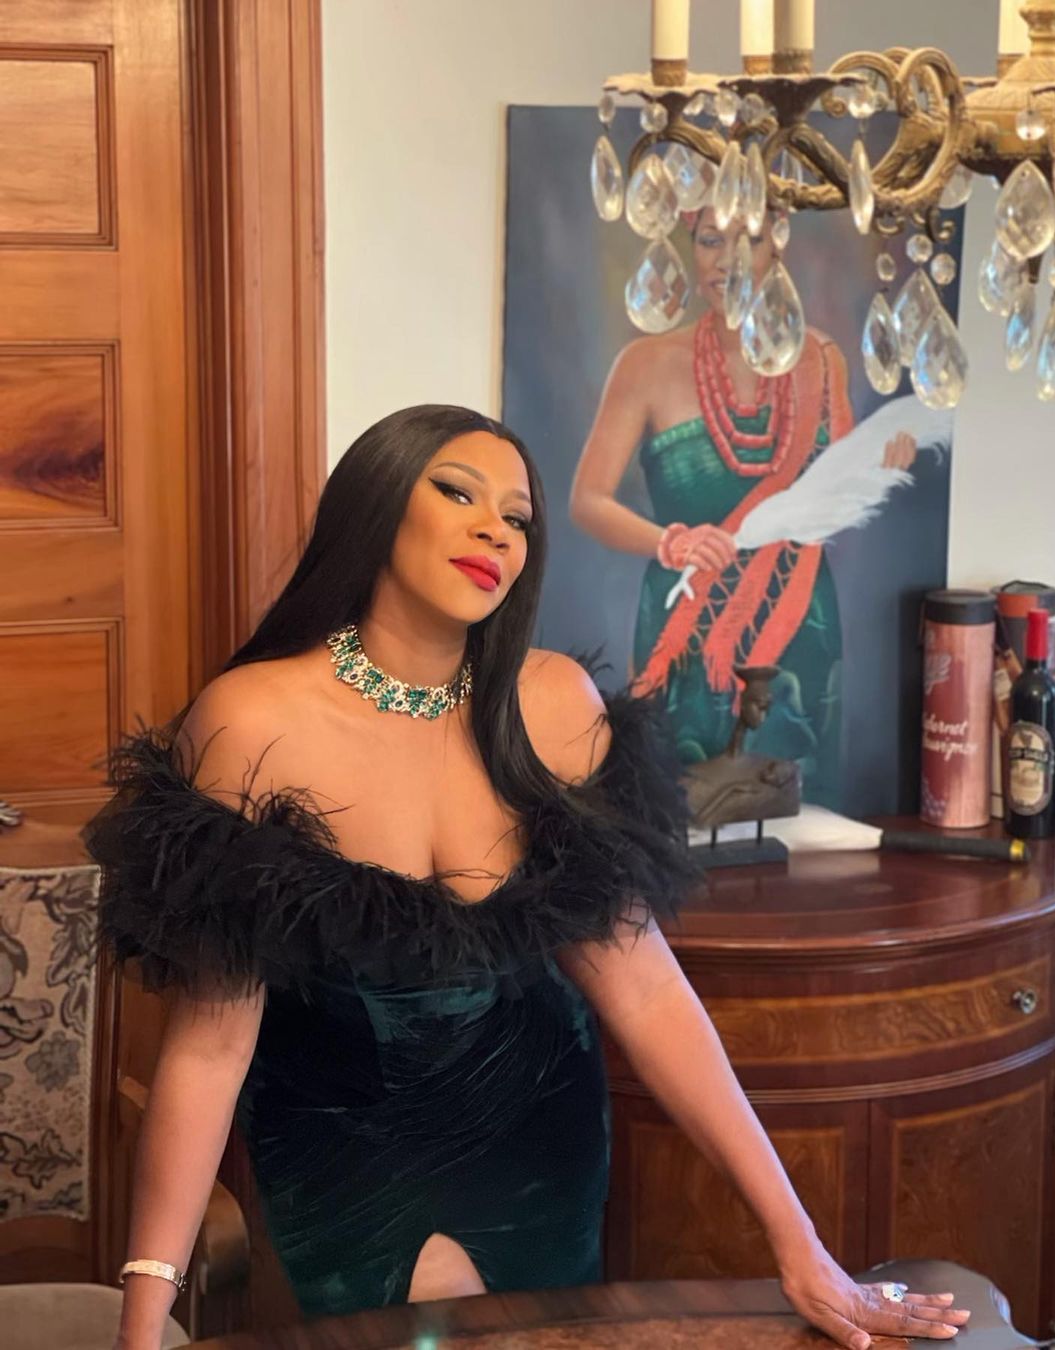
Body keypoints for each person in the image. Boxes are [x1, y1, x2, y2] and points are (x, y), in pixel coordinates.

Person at [82, 405, 967, 1350]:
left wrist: (803, 1248)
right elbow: (209, 1048)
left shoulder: (554, 706)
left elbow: (644, 989)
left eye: (517, 517)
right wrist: (144, 1325)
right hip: (342, 1145)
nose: (495, 532)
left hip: (542, 1136)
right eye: (458, 493)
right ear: (377, 504)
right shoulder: (251, 722)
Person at [570, 208, 917, 808]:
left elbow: (834, 495)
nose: (727, 260)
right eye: (710, 240)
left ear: (775, 249)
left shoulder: (820, 359)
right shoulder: (645, 363)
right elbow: (587, 501)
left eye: (748, 241)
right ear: (691, 250)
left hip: (799, 620)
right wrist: (670, 543)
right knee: (676, 814)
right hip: (684, 623)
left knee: (796, 817)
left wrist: (882, 468)